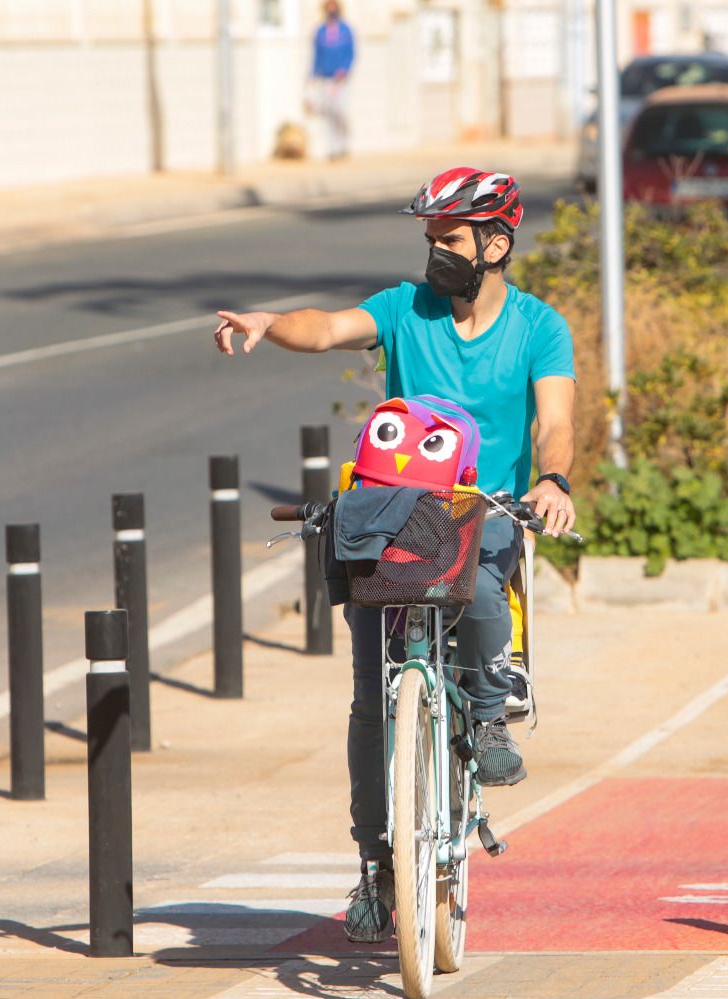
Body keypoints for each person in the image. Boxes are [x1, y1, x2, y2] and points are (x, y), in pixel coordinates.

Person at [212, 168, 578, 943]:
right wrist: (271, 320)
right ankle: (376, 864)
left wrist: (551, 479)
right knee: (370, 704)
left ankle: (484, 715)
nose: (434, 254)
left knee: (481, 588)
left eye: (447, 239)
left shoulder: (540, 327)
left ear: (495, 243)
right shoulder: (403, 311)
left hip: (482, 509)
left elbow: (556, 421)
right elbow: (325, 326)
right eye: (430, 240)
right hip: (393, 516)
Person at [309, 1, 356, 160]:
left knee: (340, 110)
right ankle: (332, 148)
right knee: (328, 112)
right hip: (325, 77)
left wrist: (344, 70)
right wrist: (313, 74)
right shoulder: (320, 30)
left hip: (340, 78)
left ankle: (343, 142)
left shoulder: (345, 30)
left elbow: (350, 52)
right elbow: (316, 54)